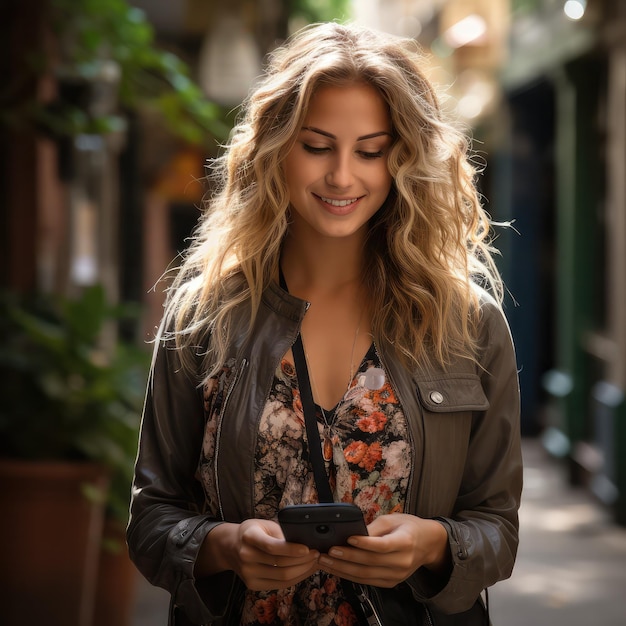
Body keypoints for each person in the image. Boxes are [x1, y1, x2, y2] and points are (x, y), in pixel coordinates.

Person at [127, 21, 522, 626]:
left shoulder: (467, 323)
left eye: (370, 150)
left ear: (404, 159)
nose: (342, 175)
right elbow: (151, 518)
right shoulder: (205, 314)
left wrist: (432, 545)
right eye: (316, 146)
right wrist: (223, 548)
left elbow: (497, 528)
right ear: (275, 148)